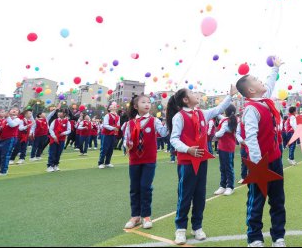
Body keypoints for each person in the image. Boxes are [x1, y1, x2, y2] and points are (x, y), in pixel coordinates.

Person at [168, 85, 236, 245]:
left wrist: (230, 96)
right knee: (185, 195)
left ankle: (197, 226)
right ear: (185, 100)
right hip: (187, 162)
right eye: (192, 93)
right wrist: (188, 149)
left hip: (202, 160)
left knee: (200, 194)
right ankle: (180, 229)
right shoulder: (179, 117)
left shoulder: (202, 114)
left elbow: (219, 109)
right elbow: (174, 139)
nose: (196, 94)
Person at [236, 57, 286, 248]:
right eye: (257, 79)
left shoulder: (266, 100)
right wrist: (258, 165)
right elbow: (251, 138)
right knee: (256, 202)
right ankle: (254, 238)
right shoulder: (251, 109)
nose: (261, 81)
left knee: (278, 201)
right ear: (251, 90)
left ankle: (278, 237)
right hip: (260, 165)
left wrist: (275, 68)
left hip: (275, 160)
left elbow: (271, 83)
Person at [123, 94, 168, 230]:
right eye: (143, 102)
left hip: (149, 160)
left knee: (146, 187)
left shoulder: (154, 121)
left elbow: (164, 132)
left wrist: (169, 119)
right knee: (134, 188)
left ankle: (146, 215)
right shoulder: (130, 123)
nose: (147, 104)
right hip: (134, 160)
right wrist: (127, 143)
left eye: (149, 102)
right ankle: (135, 216)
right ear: (136, 106)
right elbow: (126, 139)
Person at [213, 105, 239, 196]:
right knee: (225, 166)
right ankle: (223, 186)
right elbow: (220, 116)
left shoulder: (225, 121)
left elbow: (220, 134)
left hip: (225, 147)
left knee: (227, 167)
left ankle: (229, 186)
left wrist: (215, 133)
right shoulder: (231, 119)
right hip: (226, 146)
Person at [47, 108, 71, 172]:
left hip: (62, 139)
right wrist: (54, 136)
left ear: (64, 114)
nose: (59, 113)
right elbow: (51, 129)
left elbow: (69, 130)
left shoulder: (67, 121)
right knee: (52, 152)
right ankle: (50, 165)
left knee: (59, 152)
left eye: (60, 112)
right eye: (58, 112)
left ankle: (56, 165)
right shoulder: (55, 121)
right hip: (54, 139)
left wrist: (63, 133)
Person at [99, 103, 120, 169]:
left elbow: (118, 124)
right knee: (104, 148)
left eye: (115, 106)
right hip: (106, 134)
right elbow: (105, 125)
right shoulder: (107, 115)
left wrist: (117, 129)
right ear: (109, 108)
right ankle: (101, 163)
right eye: (112, 106)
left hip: (113, 134)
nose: (114, 106)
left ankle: (107, 162)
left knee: (111, 149)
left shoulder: (118, 116)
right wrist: (113, 128)